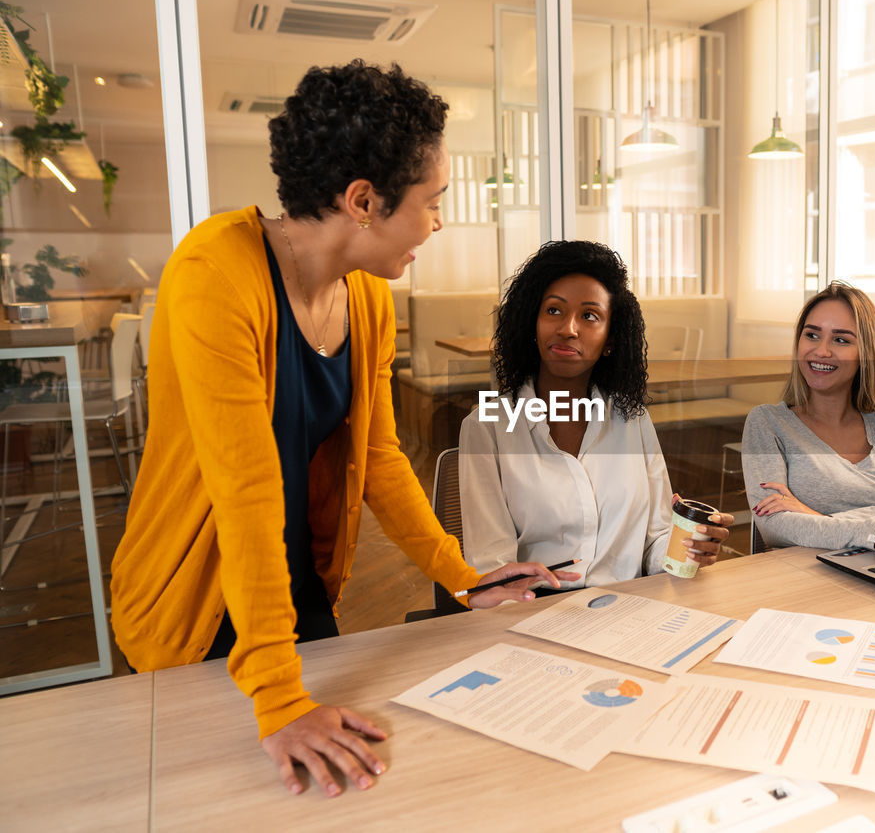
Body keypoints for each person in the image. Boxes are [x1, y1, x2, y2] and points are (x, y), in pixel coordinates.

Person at [109, 61, 576, 798]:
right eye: (433, 201)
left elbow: (380, 456)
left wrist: (462, 576)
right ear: (363, 201)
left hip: (291, 589)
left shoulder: (366, 297)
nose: (440, 220)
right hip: (193, 605)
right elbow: (245, 485)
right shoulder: (212, 274)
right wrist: (278, 695)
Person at [458, 240, 733, 586]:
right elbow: (491, 567)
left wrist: (690, 547)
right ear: (532, 324)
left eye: (589, 316)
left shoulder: (632, 419)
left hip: (629, 608)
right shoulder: (487, 428)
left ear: (610, 341)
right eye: (554, 311)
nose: (568, 329)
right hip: (534, 614)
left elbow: (656, 540)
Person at [741, 281, 875, 550]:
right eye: (812, 335)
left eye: (841, 340)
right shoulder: (767, 423)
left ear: (866, 353)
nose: (822, 351)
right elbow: (775, 528)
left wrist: (815, 517)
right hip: (807, 578)